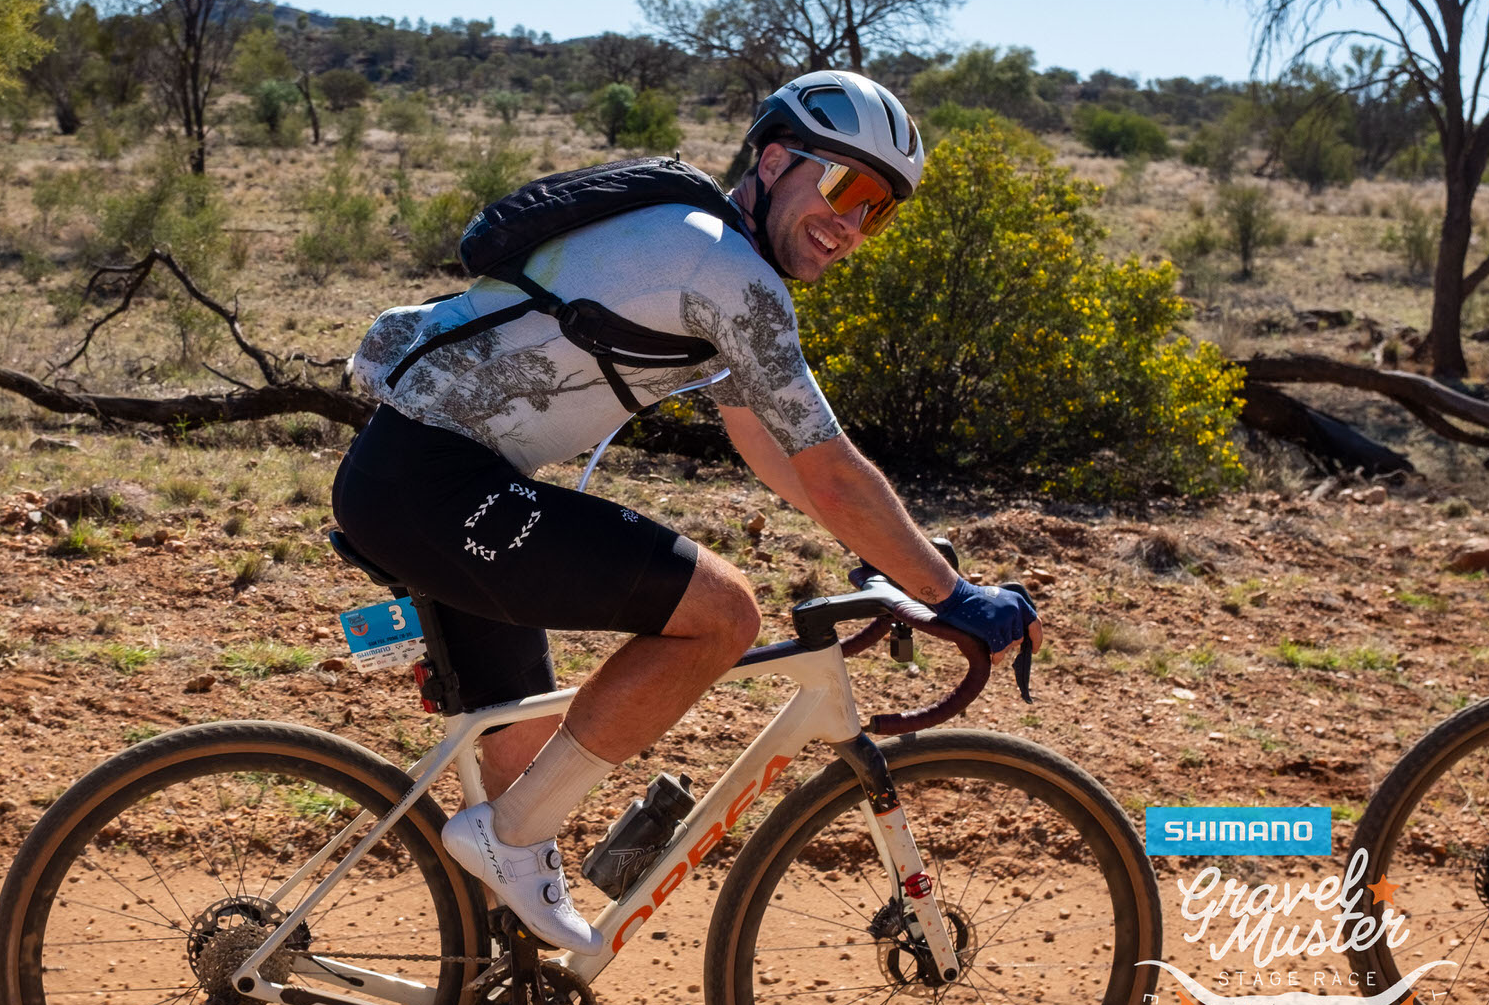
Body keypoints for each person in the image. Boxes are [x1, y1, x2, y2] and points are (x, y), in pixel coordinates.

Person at [330, 69, 1039, 954]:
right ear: (775, 160)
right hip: (439, 486)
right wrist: (950, 593)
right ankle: (506, 846)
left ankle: (491, 984)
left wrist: (897, 559)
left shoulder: (701, 248)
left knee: (524, 756)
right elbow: (831, 474)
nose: (851, 227)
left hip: (418, 480)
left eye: (877, 212)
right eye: (844, 188)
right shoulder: (724, 268)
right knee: (722, 614)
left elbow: (766, 443)